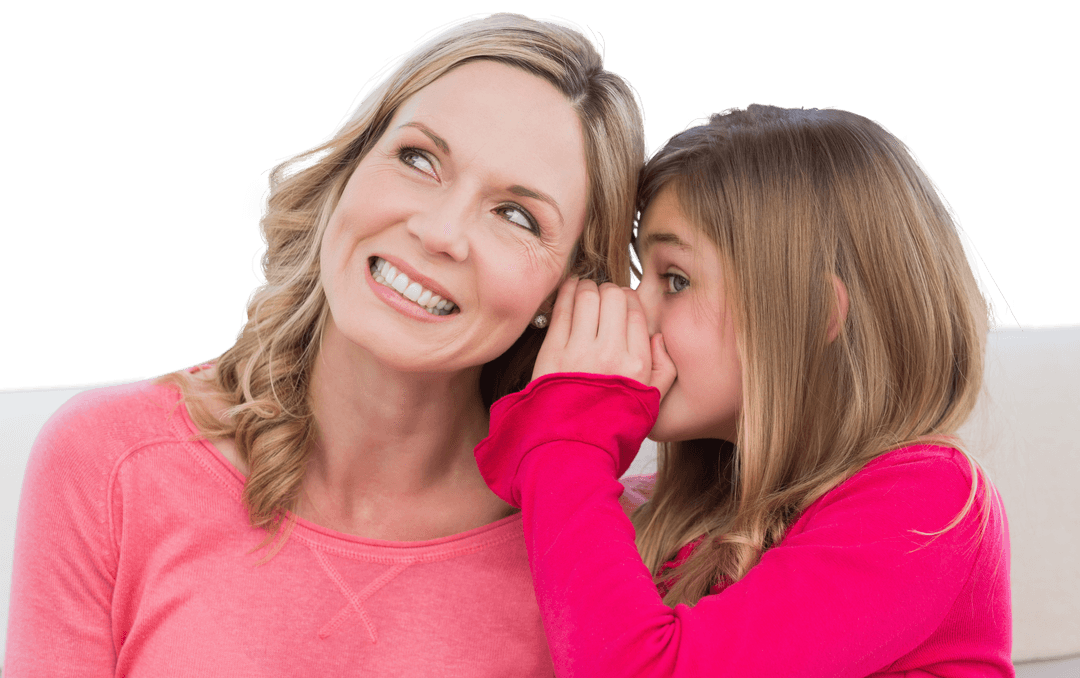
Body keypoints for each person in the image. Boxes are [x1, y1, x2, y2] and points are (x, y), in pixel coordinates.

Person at [5, 13, 647, 676]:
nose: (440, 232)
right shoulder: (114, 464)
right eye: (418, 159)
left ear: (571, 294)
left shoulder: (611, 552)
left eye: (517, 216)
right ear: (349, 170)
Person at [476, 104, 1013, 677]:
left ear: (808, 318)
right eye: (641, 274)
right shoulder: (651, 507)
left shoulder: (929, 503)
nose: (638, 309)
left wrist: (568, 438)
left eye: (675, 279)